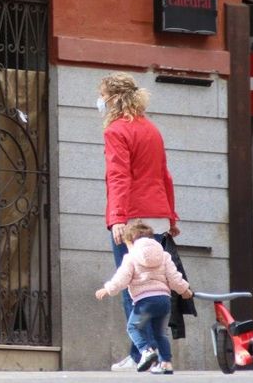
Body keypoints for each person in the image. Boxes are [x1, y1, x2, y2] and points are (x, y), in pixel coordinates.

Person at [97, 72, 181, 371]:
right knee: (156, 284)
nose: (100, 101)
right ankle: (144, 354)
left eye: (103, 96)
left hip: (132, 215)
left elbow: (119, 176)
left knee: (133, 285)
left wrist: (118, 217)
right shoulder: (152, 129)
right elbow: (165, 175)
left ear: (113, 99)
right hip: (157, 214)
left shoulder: (116, 131)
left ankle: (146, 353)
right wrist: (170, 216)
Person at [95, 222, 193, 375]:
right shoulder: (164, 255)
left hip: (145, 301)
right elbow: (174, 278)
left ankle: (146, 351)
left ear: (130, 242)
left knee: (133, 327)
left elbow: (121, 279)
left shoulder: (131, 257)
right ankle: (166, 364)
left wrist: (107, 289)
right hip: (164, 300)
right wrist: (185, 290)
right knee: (160, 333)